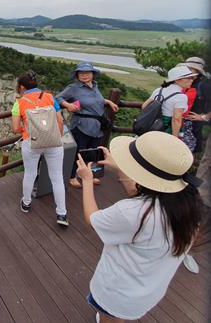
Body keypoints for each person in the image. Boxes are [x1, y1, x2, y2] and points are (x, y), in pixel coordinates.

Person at [76, 131, 203, 322]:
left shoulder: (133, 212)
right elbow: (147, 194)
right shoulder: (188, 205)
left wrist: (86, 181)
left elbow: (92, 219)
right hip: (147, 290)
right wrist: (120, 169)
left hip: (116, 293)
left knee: (109, 318)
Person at [11, 71, 68, 226]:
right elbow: (60, 121)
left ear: (22, 87)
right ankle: (61, 214)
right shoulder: (50, 97)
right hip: (54, 143)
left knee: (30, 174)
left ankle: (27, 202)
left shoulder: (19, 103)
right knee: (57, 178)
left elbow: (15, 128)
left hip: (32, 142)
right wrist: (57, 138)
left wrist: (27, 128)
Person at [56, 62, 119, 188]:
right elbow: (57, 98)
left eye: (87, 73)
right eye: (81, 73)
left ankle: (90, 175)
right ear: (77, 75)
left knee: (93, 152)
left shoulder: (95, 86)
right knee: (78, 152)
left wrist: (108, 102)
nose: (84, 75)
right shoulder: (73, 88)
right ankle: (72, 176)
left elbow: (96, 100)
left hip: (96, 127)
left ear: (92, 74)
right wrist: (68, 105)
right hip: (81, 125)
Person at [141, 65, 197, 139]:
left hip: (152, 125)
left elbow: (144, 106)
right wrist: (175, 138)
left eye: (192, 78)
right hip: (167, 128)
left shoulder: (159, 90)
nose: (191, 80)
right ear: (177, 80)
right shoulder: (181, 97)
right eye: (188, 78)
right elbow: (176, 119)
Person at [182, 57, 211, 153]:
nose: (188, 70)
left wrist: (204, 117)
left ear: (198, 70)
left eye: (191, 68)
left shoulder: (203, 85)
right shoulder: (185, 81)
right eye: (187, 67)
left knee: (186, 157)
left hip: (193, 129)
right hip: (180, 126)